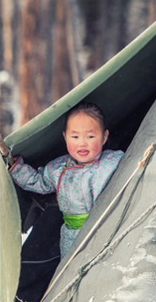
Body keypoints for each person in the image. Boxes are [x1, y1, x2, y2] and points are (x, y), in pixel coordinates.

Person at [9, 101, 123, 258]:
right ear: (65, 136)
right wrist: (18, 169)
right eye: (75, 136)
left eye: (90, 136)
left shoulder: (114, 162)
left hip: (107, 230)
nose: (82, 143)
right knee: (72, 272)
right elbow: (39, 183)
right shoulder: (58, 168)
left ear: (104, 137)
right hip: (72, 235)